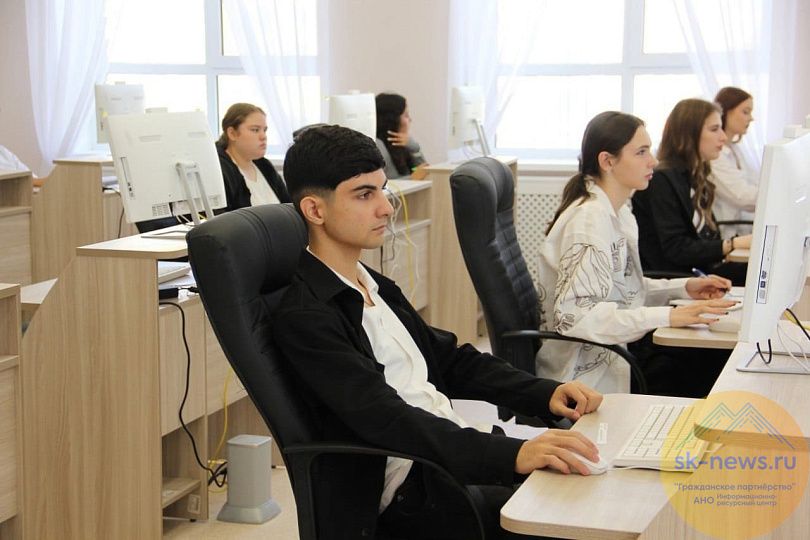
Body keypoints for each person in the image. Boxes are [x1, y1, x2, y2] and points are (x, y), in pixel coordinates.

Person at [274, 124, 603, 539]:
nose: (386, 208)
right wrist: (510, 454)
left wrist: (544, 392)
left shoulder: (371, 284)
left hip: (446, 455)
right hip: (414, 489)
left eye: (382, 190)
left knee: (593, 483)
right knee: (580, 515)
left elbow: (450, 359)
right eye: (364, 195)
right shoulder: (308, 316)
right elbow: (388, 420)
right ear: (315, 210)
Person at [537, 111, 736, 397]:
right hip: (590, 372)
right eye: (641, 152)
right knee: (712, 366)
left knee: (709, 357)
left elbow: (622, 290)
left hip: (620, 349)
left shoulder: (619, 212)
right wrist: (669, 316)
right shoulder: (589, 221)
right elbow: (578, 317)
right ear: (608, 161)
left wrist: (683, 288)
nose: (652, 161)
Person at [632, 98, 751, 286]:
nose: (723, 137)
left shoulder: (695, 175)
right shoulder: (662, 180)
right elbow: (676, 249)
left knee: (763, 271)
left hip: (699, 269)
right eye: (714, 129)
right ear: (688, 134)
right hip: (675, 279)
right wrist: (732, 244)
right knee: (757, 276)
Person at [216, 103, 290, 211]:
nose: (263, 136)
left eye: (264, 130)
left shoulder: (265, 166)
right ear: (232, 133)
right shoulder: (220, 172)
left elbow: (289, 207)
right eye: (255, 130)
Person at [710, 87, 758, 236]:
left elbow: (756, 183)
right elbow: (743, 197)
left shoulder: (736, 150)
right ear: (726, 112)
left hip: (746, 230)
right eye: (745, 112)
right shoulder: (715, 156)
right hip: (729, 235)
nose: (751, 118)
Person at [375, 93, 428, 179]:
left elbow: (424, 172)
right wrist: (412, 178)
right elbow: (386, 183)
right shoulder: (378, 145)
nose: (410, 119)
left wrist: (415, 149)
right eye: (406, 115)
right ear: (392, 119)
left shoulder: (405, 144)